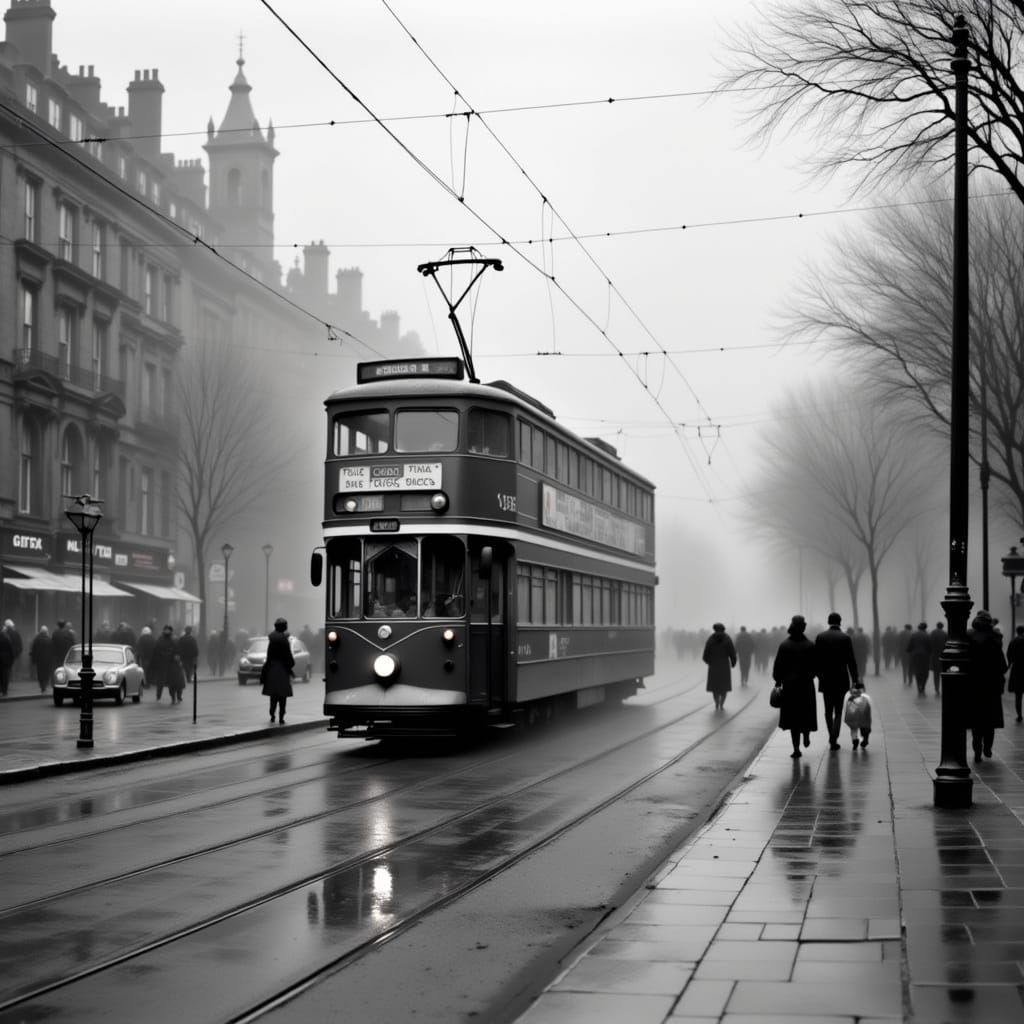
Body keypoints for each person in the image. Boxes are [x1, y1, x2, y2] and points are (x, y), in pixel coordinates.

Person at [772, 614, 818, 758]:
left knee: (793, 719)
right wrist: (811, 675)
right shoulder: (810, 645)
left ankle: (796, 748)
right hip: (806, 686)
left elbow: (777, 667)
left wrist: (778, 681)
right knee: (806, 713)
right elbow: (816, 666)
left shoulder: (784, 645)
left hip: (790, 687)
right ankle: (806, 734)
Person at [966, 610, 1008, 763]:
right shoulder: (995, 639)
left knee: (976, 720)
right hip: (991, 686)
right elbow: (1002, 665)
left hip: (974, 685)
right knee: (990, 720)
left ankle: (977, 749)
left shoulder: (968, 637)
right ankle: (987, 747)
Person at [815, 612, 859, 750]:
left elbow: (815, 660)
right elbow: (851, 661)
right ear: (840, 622)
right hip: (841, 679)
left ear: (828, 621)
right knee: (839, 709)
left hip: (825, 679)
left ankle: (831, 736)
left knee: (828, 709)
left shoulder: (820, 637)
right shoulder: (845, 638)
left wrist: (818, 675)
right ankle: (835, 734)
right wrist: (855, 679)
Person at [262, 617, 294, 723]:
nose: (286, 626)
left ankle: (272, 713)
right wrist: (291, 667)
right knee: (282, 695)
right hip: (282, 669)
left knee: (273, 695)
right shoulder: (284, 640)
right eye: (285, 625)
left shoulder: (272, 639)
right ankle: (281, 716)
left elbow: (268, 656)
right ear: (282, 627)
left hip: (272, 668)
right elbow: (288, 656)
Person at [702, 622, 737, 710]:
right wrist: (733, 663)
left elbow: (705, 654)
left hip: (713, 666)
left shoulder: (710, 639)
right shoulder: (727, 639)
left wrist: (708, 661)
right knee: (724, 687)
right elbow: (732, 653)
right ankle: (722, 703)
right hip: (724, 666)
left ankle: (716, 702)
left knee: (715, 687)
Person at [148, 625, 181, 702]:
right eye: (166, 630)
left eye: (168, 630)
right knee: (163, 681)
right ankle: (160, 695)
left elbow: (177, 652)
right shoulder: (164, 640)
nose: (167, 631)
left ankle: (172, 697)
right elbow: (156, 651)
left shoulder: (166, 640)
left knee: (171, 682)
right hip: (164, 665)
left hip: (168, 665)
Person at [843, 679, 873, 749]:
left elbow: (847, 709)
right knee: (865, 727)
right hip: (864, 715)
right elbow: (870, 707)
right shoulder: (866, 697)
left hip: (854, 714)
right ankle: (865, 738)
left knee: (853, 728)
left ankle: (854, 740)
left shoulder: (851, 698)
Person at [29, 625, 56, 693]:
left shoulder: (37, 639)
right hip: (47, 660)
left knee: (40, 673)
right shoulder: (49, 639)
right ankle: (45, 684)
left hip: (39, 660)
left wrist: (33, 660)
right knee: (46, 673)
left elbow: (34, 650)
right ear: (47, 632)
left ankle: (42, 685)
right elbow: (52, 650)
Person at [907, 622, 932, 695]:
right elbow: (930, 648)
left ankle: (919, 686)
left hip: (915, 656)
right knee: (925, 672)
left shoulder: (914, 635)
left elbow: (909, 647)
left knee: (917, 671)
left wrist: (909, 651)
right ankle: (923, 686)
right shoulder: (928, 636)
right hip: (925, 657)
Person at [1007, 625, 1024, 724]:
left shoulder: (1013, 642)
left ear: (1017, 632)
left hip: (1017, 670)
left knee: (1018, 695)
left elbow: (1009, 655)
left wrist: (1009, 665)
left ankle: (1019, 715)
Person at [929, 621, 947, 694]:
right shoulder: (945, 634)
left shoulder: (933, 633)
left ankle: (937, 688)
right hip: (943, 656)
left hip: (935, 656)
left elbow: (930, 644)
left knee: (936, 674)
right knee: (943, 673)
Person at [0, 627, 12, 696]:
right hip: (6, 660)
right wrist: (11, 660)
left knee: (1, 675)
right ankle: (5, 690)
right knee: (5, 676)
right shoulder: (7, 639)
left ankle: (1, 689)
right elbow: (11, 650)